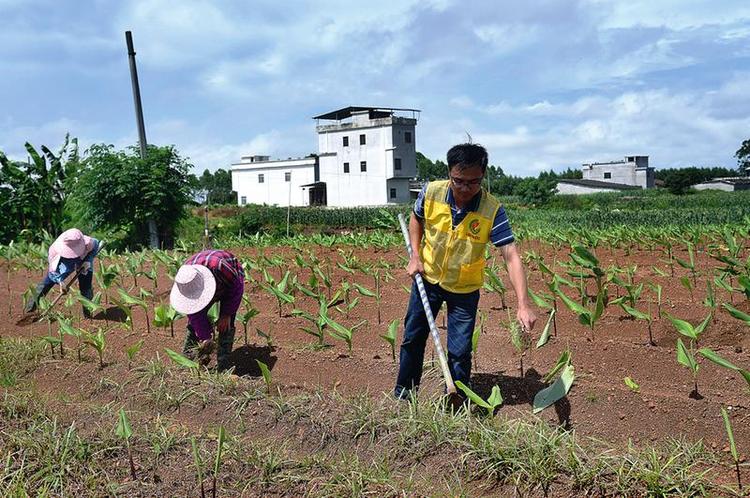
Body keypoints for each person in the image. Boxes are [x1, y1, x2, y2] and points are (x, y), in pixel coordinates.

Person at [395, 143, 537, 399]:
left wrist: (523, 304)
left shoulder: (492, 210)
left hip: (464, 289)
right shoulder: (431, 192)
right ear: (449, 173)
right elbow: (417, 218)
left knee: (460, 352)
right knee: (413, 339)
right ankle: (404, 395)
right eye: (458, 181)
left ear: (482, 176)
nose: (464, 189)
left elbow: (511, 255)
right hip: (428, 278)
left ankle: (456, 403)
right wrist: (415, 256)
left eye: (473, 183)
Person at [170, 249, 245, 371]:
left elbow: (236, 288)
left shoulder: (220, 267)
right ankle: (188, 361)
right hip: (202, 281)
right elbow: (194, 314)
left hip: (227, 280)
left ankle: (223, 365)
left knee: (226, 324)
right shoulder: (185, 279)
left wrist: (226, 314)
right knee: (195, 324)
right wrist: (205, 338)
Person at [24, 228, 101, 317]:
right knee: (47, 282)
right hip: (65, 262)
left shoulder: (90, 242)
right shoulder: (54, 251)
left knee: (86, 286)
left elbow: (95, 248)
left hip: (83, 261)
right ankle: (30, 310)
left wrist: (88, 260)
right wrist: (60, 282)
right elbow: (53, 272)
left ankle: (88, 314)